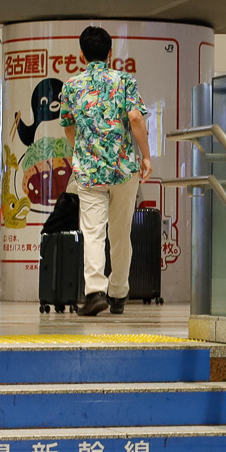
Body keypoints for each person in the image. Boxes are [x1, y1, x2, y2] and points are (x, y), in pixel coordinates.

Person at [61, 26, 151, 316]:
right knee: (121, 233)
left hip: (89, 171)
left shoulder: (71, 85)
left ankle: (95, 292)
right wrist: (146, 156)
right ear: (110, 53)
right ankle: (119, 294)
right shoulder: (124, 80)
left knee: (93, 232)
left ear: (82, 54)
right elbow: (135, 118)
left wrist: (83, 150)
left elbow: (68, 126)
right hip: (124, 168)